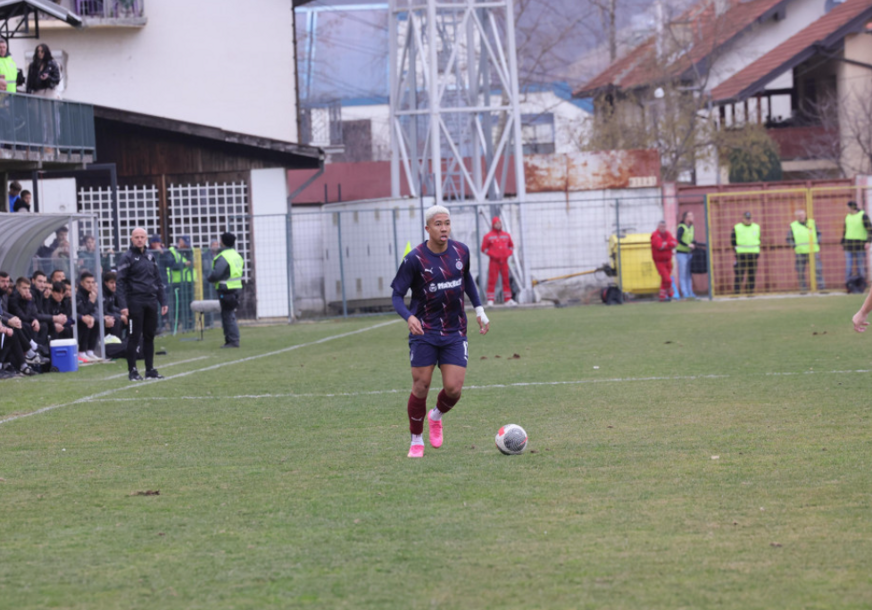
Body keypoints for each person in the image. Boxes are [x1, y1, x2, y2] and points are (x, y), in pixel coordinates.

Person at [390, 204, 490, 458]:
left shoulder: (461, 251)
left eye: (446, 223)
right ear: (427, 228)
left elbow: (466, 279)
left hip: (455, 330)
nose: (444, 228)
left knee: (454, 388)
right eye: (438, 224)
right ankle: (416, 440)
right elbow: (397, 296)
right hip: (425, 332)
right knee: (421, 385)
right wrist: (409, 316)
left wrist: (479, 310)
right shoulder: (414, 259)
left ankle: (436, 416)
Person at [116, 227, 168, 381]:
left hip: (151, 301)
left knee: (149, 337)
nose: (139, 239)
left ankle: (150, 369)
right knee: (133, 337)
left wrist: (163, 301)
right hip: (135, 302)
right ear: (132, 239)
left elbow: (158, 281)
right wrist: (123, 306)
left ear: (146, 239)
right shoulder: (127, 257)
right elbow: (120, 283)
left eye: (142, 237)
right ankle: (132, 371)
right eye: (136, 237)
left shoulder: (151, 257)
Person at [207, 232, 243, 348]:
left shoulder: (224, 256)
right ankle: (231, 339)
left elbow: (217, 273)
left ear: (223, 242)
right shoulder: (236, 255)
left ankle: (232, 340)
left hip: (226, 288)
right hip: (236, 287)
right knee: (230, 313)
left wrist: (210, 278)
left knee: (227, 314)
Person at [481, 216, 516, 306]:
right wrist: (493, 254)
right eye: (496, 223)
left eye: (499, 223)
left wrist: (507, 254)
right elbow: (484, 248)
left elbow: (511, 246)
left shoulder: (506, 235)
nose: (498, 225)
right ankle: (490, 299)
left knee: (506, 280)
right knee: (492, 280)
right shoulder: (488, 236)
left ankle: (508, 299)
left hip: (504, 261)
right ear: (493, 225)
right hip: (494, 261)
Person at [786, 209, 824, 292]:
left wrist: (817, 241)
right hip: (800, 252)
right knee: (800, 271)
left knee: (817, 269)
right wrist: (794, 246)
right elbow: (788, 239)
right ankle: (803, 289)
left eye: (802, 215)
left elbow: (819, 234)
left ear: (805, 214)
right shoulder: (793, 225)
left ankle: (821, 287)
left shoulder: (812, 223)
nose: (801, 217)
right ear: (796, 217)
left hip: (813, 250)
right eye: (799, 215)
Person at [841, 200, 872, 287]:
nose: (846, 209)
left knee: (860, 265)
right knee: (848, 265)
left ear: (851, 207)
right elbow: (845, 230)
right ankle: (848, 285)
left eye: (847, 207)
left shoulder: (863, 215)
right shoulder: (847, 216)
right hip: (848, 244)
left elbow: (870, 229)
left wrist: (868, 241)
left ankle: (861, 285)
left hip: (860, 243)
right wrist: (843, 242)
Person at [732, 211, 761, 295]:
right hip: (741, 254)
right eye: (746, 218)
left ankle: (750, 291)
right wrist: (736, 250)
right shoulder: (737, 227)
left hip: (753, 254)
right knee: (739, 274)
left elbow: (759, 239)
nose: (748, 220)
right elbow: (732, 240)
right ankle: (737, 291)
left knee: (752, 274)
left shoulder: (756, 227)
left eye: (750, 218)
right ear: (743, 218)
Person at [76, 271, 101, 362]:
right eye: (88, 282)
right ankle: (81, 351)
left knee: (96, 321)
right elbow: (83, 312)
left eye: (92, 282)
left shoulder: (91, 294)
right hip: (76, 321)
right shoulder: (78, 295)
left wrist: (93, 317)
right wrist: (91, 301)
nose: (90, 285)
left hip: (86, 319)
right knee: (86, 321)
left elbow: (95, 310)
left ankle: (90, 351)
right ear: (82, 283)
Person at [650, 220, 678, 302]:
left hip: (668, 260)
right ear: (658, 227)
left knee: (665, 279)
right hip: (659, 261)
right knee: (668, 279)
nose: (663, 228)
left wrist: (666, 244)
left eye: (664, 227)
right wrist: (669, 244)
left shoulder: (668, 234)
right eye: (661, 227)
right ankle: (671, 295)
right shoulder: (655, 235)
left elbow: (675, 243)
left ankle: (662, 298)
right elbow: (659, 246)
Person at [675, 211, 698, 299]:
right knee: (683, 274)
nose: (692, 217)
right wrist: (687, 245)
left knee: (689, 274)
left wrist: (693, 243)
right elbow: (679, 239)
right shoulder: (681, 227)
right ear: (686, 218)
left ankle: (690, 292)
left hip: (689, 253)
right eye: (690, 216)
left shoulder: (691, 227)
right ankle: (685, 293)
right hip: (682, 253)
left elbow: (691, 238)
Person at [102, 271, 126, 339]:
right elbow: (104, 310)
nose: (114, 285)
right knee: (117, 320)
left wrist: (121, 312)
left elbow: (111, 307)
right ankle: (116, 344)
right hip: (102, 317)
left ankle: (128, 342)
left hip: (107, 314)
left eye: (116, 283)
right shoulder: (103, 293)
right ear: (106, 283)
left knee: (129, 317)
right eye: (111, 283)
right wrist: (119, 316)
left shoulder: (111, 293)